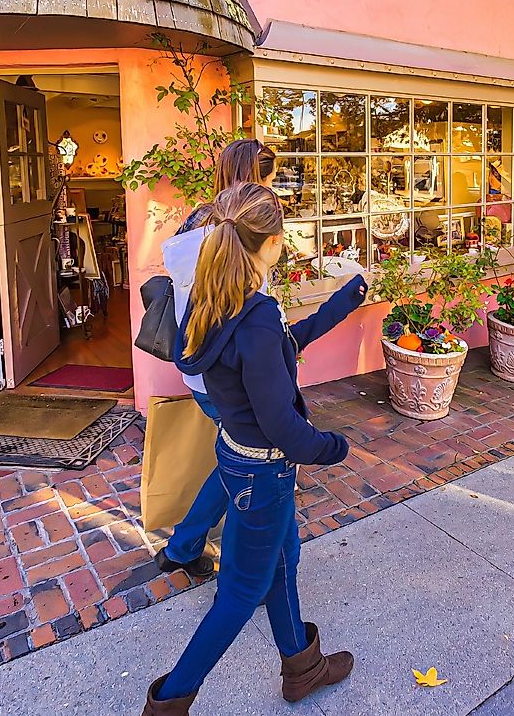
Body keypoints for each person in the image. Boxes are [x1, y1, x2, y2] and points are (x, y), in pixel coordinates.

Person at [142, 183, 367, 712]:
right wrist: (333, 446)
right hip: (263, 471)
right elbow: (283, 426)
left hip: (238, 457)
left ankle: (302, 667)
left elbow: (285, 343)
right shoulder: (255, 314)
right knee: (241, 593)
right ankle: (169, 702)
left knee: (283, 563)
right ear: (268, 242)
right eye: (282, 235)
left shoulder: (213, 301)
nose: (285, 243)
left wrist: (345, 299)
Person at [153, 139, 278, 580]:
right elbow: (246, 311)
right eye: (268, 177)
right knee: (244, 459)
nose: (272, 186)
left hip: (201, 362)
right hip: (231, 371)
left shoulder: (196, 222)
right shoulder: (240, 231)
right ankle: (184, 546)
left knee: (234, 454)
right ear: (255, 177)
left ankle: (185, 545)